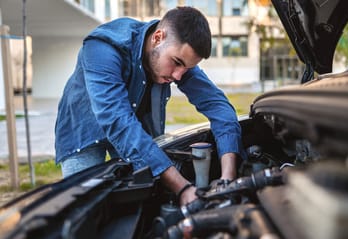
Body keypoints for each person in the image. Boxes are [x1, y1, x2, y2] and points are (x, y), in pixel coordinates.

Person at [54, 6, 244, 206]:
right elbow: (118, 121)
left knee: (141, 204)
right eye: (177, 62)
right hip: (84, 134)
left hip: (132, 129)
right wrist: (184, 188)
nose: (179, 76)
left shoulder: (175, 54)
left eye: (187, 68)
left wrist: (227, 179)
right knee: (86, 209)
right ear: (158, 38)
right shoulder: (103, 48)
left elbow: (218, 106)